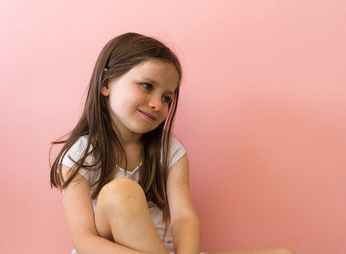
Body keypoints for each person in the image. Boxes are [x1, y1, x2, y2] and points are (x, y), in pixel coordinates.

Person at [49, 32, 295, 254]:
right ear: (106, 85)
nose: (158, 104)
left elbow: (183, 218)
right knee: (119, 193)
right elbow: (84, 241)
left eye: (167, 97)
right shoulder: (79, 156)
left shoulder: (169, 151)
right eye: (147, 86)